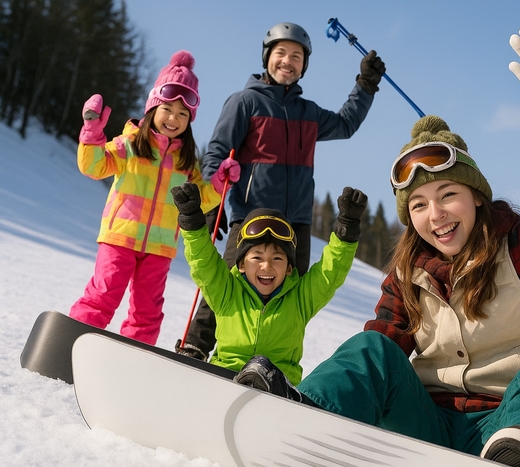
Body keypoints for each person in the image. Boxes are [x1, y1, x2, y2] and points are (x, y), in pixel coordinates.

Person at [233, 23, 520, 467]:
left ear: (477, 197)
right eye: (418, 205)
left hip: (509, 426)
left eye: (448, 195)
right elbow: (378, 357)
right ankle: (300, 423)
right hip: (424, 429)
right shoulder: (409, 273)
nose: (435, 215)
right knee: (372, 349)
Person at [176, 21, 386, 360]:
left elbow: (346, 124)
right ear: (267, 57)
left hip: (296, 221)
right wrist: (211, 202)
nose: (288, 61)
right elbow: (217, 152)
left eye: (296, 56)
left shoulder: (308, 112)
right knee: (228, 285)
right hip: (251, 215)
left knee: (289, 296)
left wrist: (366, 85)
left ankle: (276, 364)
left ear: (304, 65)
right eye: (281, 53)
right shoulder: (245, 102)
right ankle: (196, 347)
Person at [69, 51, 240, 345]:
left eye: (183, 114)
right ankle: (72, 342)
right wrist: (92, 133)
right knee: (103, 294)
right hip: (120, 238)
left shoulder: (186, 161)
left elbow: (200, 200)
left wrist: (219, 182)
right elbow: (93, 166)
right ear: (153, 107)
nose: (174, 118)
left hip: (159, 248)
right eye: (168, 109)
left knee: (147, 311)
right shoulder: (131, 144)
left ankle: (134, 357)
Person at [171, 181, 367, 390]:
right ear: (241, 265)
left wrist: (346, 228)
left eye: (277, 258)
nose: (266, 266)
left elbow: (331, 272)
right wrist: (192, 220)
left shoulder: (300, 300)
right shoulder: (227, 291)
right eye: (257, 257)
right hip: (225, 380)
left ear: (289, 268)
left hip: (278, 389)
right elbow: (204, 262)